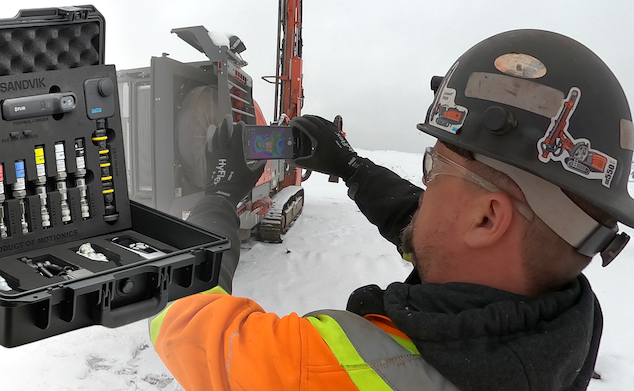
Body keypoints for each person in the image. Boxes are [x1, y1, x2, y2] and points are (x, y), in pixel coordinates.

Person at [148, 29, 634, 391]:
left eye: (434, 166)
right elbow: (430, 231)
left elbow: (183, 323)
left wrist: (217, 195)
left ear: (487, 218)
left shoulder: (344, 371)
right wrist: (350, 165)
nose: (425, 184)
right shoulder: (564, 328)